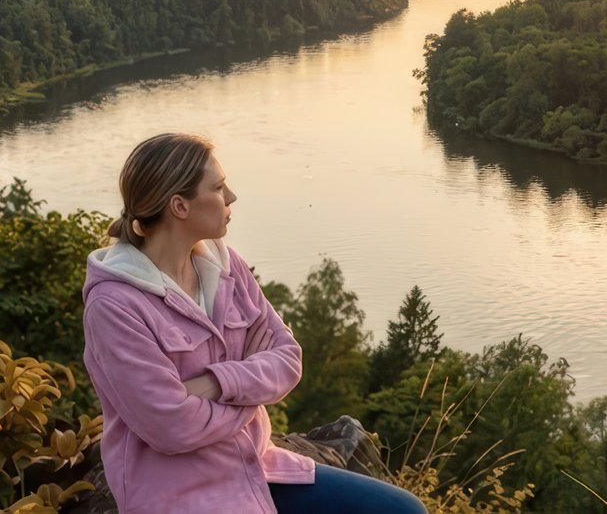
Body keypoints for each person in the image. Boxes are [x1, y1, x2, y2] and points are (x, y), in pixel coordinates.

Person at [82, 132, 427, 514]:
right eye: (217, 187)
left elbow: (288, 359)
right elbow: (171, 427)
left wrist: (215, 383)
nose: (231, 197)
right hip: (181, 495)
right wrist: (250, 397)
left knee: (403, 510)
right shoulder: (114, 306)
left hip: (259, 468)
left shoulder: (228, 269)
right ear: (179, 205)